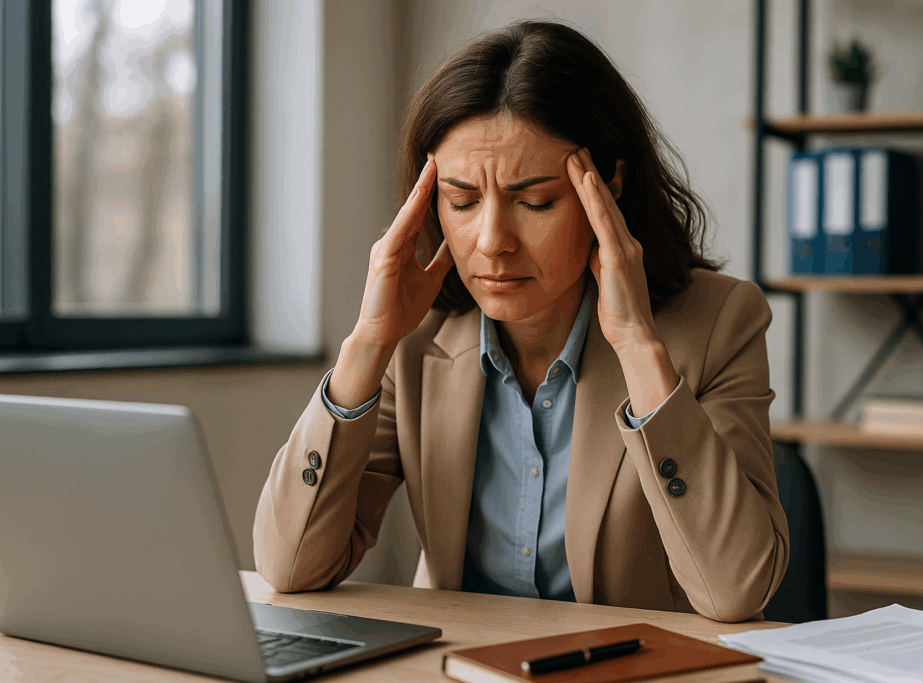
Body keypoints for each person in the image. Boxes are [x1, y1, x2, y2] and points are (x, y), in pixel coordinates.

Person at [254, 20, 788, 623]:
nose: (492, 241)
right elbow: (289, 566)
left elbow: (736, 591)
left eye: (535, 203)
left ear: (607, 188)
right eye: (461, 201)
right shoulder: (416, 341)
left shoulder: (721, 323)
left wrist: (639, 345)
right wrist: (368, 344)